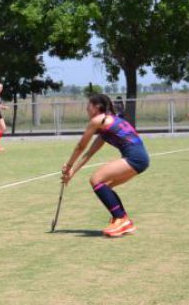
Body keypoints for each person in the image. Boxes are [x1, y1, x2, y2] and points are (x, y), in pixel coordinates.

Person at [61, 94, 150, 237]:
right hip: (141, 159)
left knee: (96, 179)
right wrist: (72, 172)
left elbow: (80, 146)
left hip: (135, 158)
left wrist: (69, 163)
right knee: (104, 185)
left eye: (88, 105)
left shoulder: (97, 121)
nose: (86, 109)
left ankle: (120, 219)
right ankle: (122, 219)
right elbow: (89, 153)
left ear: (97, 107)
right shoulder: (106, 125)